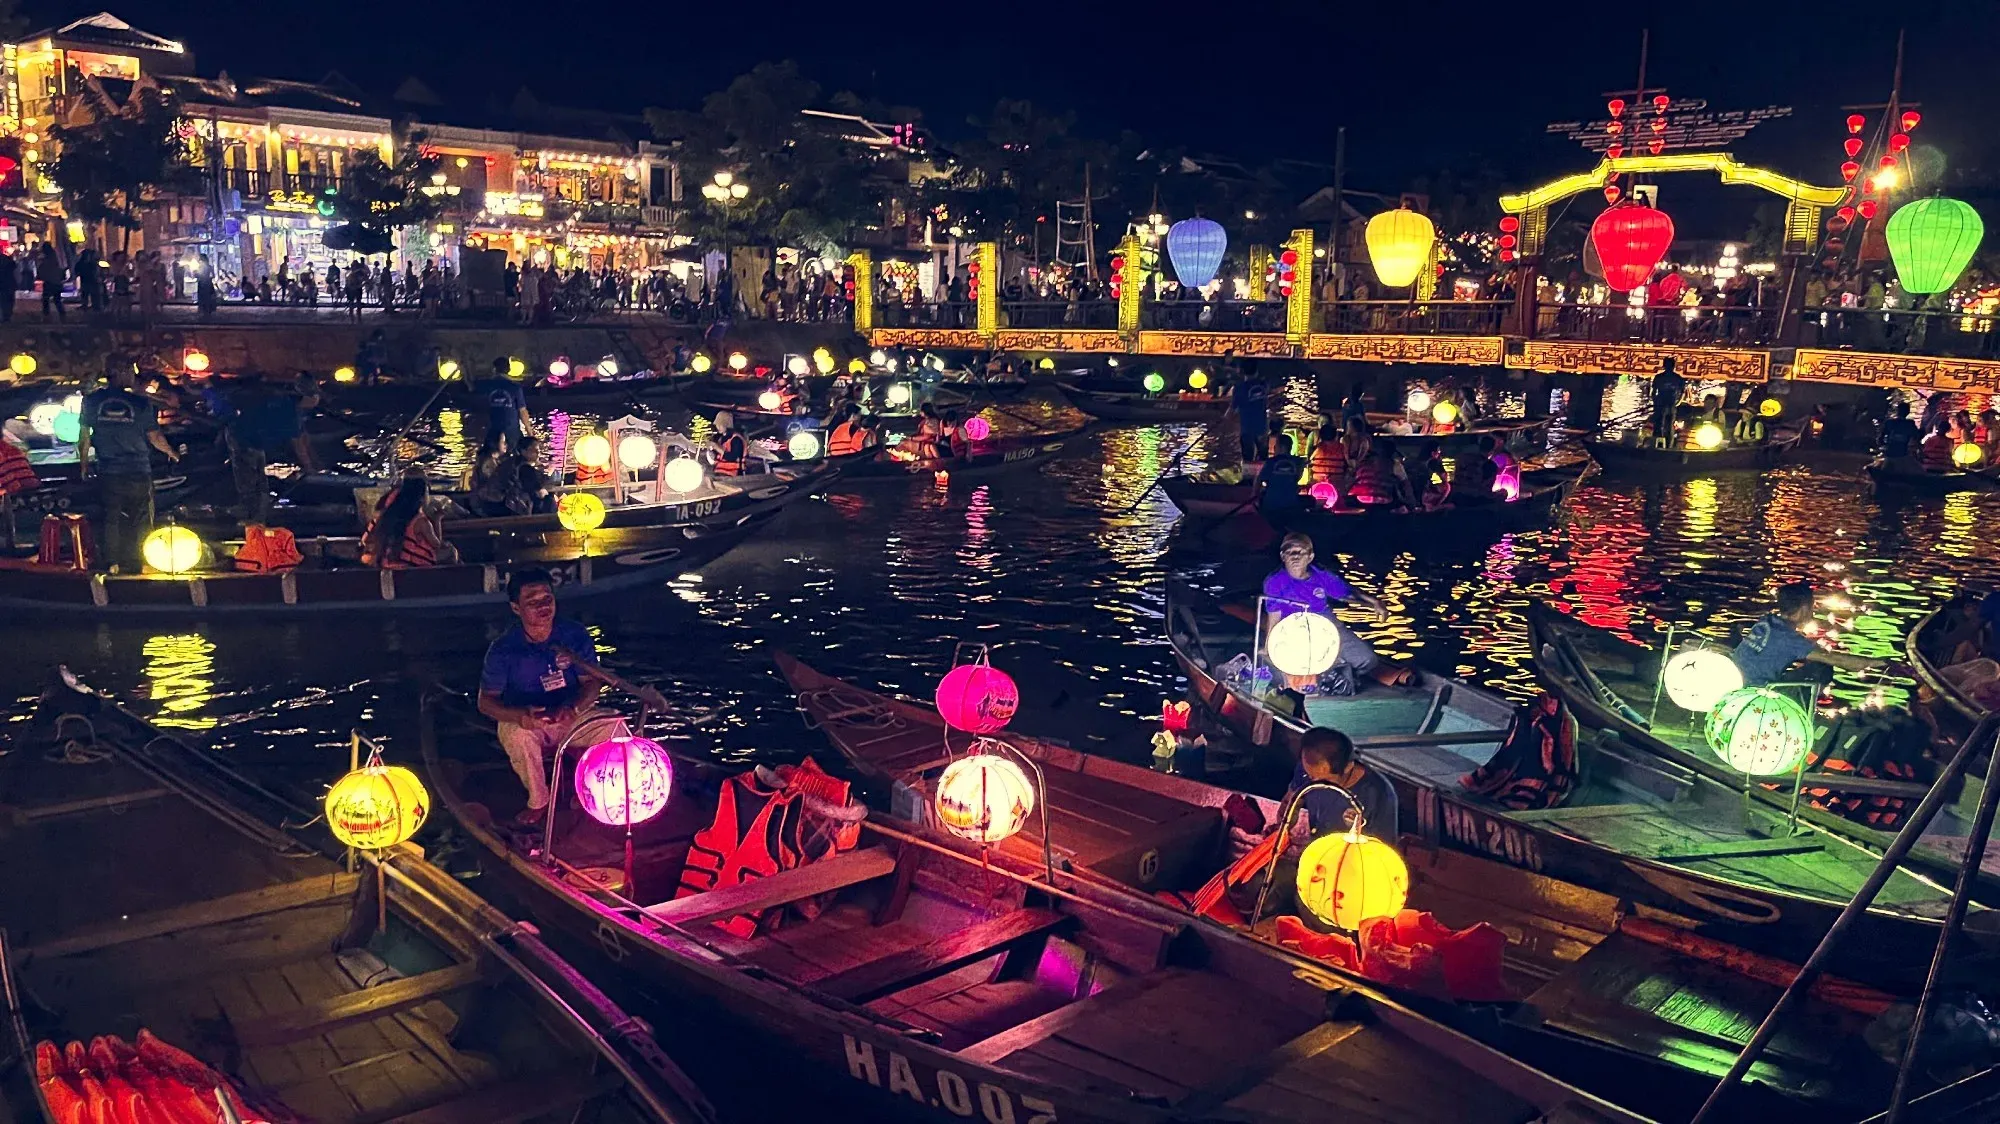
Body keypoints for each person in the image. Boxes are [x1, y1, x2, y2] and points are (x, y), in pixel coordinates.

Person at [477, 569, 627, 824]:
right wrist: (520, 716)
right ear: (516, 608)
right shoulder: (503, 649)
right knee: (517, 736)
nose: (543, 606)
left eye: (547, 598)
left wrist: (575, 708)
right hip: (530, 722)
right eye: (532, 602)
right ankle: (539, 800)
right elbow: (485, 701)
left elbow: (591, 683)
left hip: (569, 715)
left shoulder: (574, 635)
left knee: (616, 726)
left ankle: (593, 789)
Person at [1263, 532, 1408, 687]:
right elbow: (1274, 618)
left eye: (1301, 552)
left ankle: (1345, 670)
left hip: (1325, 623)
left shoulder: (1321, 575)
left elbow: (1348, 594)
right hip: (1294, 629)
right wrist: (1269, 649)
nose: (1295, 557)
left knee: (1367, 660)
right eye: (1290, 552)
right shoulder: (1275, 582)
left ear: (1310, 557)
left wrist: (1374, 602)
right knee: (1302, 670)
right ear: (1283, 556)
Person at [80, 361, 177, 572]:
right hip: (138, 469)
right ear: (121, 374)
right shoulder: (140, 403)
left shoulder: (91, 401)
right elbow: (155, 436)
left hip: (109, 470)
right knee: (141, 518)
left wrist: (84, 465)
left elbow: (84, 437)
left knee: (111, 517)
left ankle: (111, 562)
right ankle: (139, 561)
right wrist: (172, 453)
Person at [1730, 581, 1885, 687]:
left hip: (1734, 679)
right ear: (1804, 608)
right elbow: (1835, 659)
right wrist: (1878, 663)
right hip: (1752, 689)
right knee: (1822, 668)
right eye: (1812, 606)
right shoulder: (1790, 640)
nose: (1813, 610)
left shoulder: (1766, 621)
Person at [1287, 726, 1398, 838]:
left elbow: (1382, 849)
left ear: (1348, 767)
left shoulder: (1378, 794)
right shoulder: (1308, 767)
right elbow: (1291, 802)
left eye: (1325, 781)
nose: (1315, 784)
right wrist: (1285, 829)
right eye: (1310, 776)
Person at [361, 477, 447, 568]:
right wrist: (438, 519)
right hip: (413, 569)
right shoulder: (421, 521)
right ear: (421, 497)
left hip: (386, 565)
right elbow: (437, 545)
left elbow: (365, 540)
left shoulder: (387, 516)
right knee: (451, 552)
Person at [475, 357, 533, 451]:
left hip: (493, 431)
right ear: (509, 369)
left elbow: (481, 407)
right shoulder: (515, 387)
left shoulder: (486, 386)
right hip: (512, 431)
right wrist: (529, 432)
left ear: (494, 369)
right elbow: (522, 411)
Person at [1255, 433, 1307, 523]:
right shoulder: (1297, 462)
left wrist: (1256, 495)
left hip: (1271, 503)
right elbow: (1297, 477)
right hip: (1291, 502)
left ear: (1281, 447)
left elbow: (1259, 480)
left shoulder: (1271, 462)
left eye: (1276, 445)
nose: (1274, 448)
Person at [1351, 436, 1415, 508]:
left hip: (1360, 501)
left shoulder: (1362, 463)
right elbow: (1406, 485)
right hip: (1384, 503)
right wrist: (1411, 503)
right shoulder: (1394, 465)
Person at [1232, 370, 1267, 464]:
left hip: (1247, 427)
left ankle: (1248, 475)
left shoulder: (1239, 387)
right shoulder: (1263, 385)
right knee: (1263, 455)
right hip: (1262, 426)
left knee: (1248, 456)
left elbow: (1234, 409)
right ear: (1256, 372)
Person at [1649, 357, 1684, 447]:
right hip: (1661, 403)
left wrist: (1678, 402)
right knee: (1659, 424)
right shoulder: (1659, 377)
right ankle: (1658, 444)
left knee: (1669, 426)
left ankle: (1668, 445)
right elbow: (1653, 392)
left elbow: (1682, 392)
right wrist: (1655, 401)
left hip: (1670, 404)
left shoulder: (1677, 378)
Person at [711, 410, 750, 475]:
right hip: (719, 471)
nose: (718, 427)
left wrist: (718, 448)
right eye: (717, 425)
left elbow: (732, 457)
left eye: (721, 425)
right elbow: (718, 457)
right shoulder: (721, 438)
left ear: (727, 425)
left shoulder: (736, 439)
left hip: (733, 473)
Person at [38, 242, 64, 322]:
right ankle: (62, 315)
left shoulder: (48, 258)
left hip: (50, 281)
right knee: (56, 300)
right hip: (56, 281)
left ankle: (47, 316)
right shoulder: (55, 256)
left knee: (46, 299)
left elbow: (44, 269)